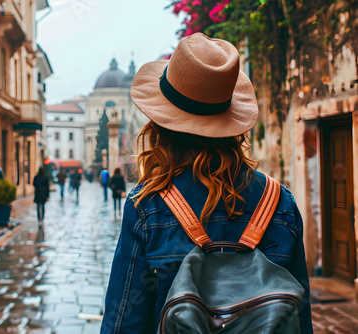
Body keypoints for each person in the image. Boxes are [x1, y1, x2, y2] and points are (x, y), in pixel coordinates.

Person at [101, 33, 312, 333]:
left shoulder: (147, 208)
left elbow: (123, 324)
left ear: (162, 125)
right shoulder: (280, 203)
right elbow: (300, 319)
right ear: (231, 125)